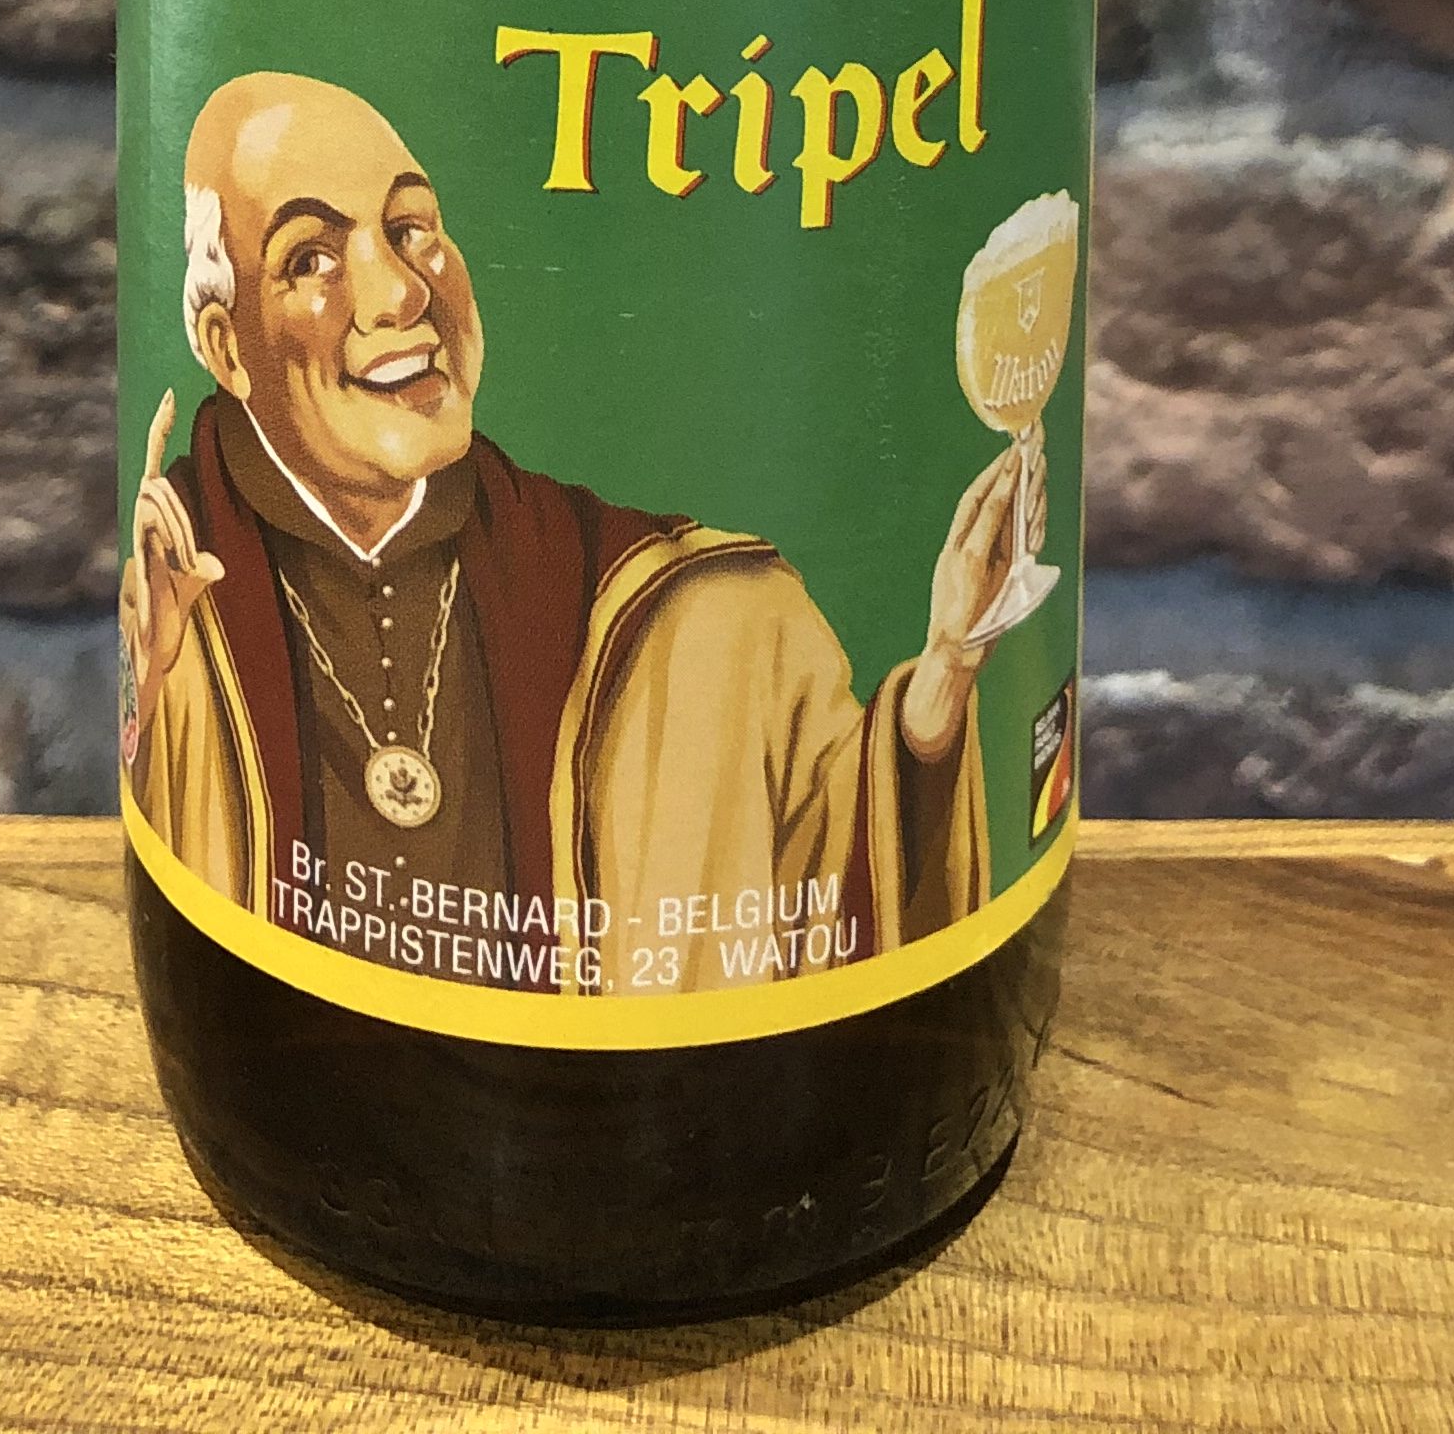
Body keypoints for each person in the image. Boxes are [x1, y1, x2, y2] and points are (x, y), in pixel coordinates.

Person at [122, 68, 1031, 997]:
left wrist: (942, 683)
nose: (398, 293)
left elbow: (816, 880)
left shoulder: (687, 613)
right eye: (311, 259)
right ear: (227, 346)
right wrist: (159, 703)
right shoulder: (179, 602)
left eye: (412, 230)